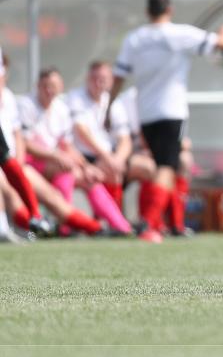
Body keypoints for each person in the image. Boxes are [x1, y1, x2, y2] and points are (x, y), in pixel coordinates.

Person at [108, 0, 223, 242]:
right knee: (167, 168)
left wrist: (108, 107)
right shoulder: (179, 33)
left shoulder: (135, 39)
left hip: (146, 114)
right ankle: (148, 225)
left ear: (148, 12)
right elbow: (219, 44)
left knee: (162, 167)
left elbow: (119, 76)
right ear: (170, 10)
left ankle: (159, 224)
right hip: (171, 111)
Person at [18, 68, 131, 235]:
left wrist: (86, 167)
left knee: (89, 177)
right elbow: (25, 144)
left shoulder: (61, 108)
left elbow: (67, 146)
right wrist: (56, 155)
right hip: (30, 164)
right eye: (45, 86)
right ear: (38, 86)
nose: (49, 90)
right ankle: (74, 226)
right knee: (68, 171)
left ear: (61, 86)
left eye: (53, 86)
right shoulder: (26, 105)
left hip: (58, 163)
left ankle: (119, 226)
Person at [66, 60, 136, 234]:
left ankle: (111, 223)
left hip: (106, 157)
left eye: (103, 79)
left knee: (115, 170)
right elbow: (82, 131)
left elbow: (125, 139)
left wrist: (117, 159)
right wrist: (108, 158)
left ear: (111, 81)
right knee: (106, 171)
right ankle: (109, 223)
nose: (98, 83)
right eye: (94, 78)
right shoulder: (76, 97)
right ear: (87, 79)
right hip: (80, 157)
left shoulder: (114, 103)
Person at [0, 47, 51, 236]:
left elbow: (18, 135)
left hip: (17, 162)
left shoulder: (9, 99)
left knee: (8, 168)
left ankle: (34, 219)